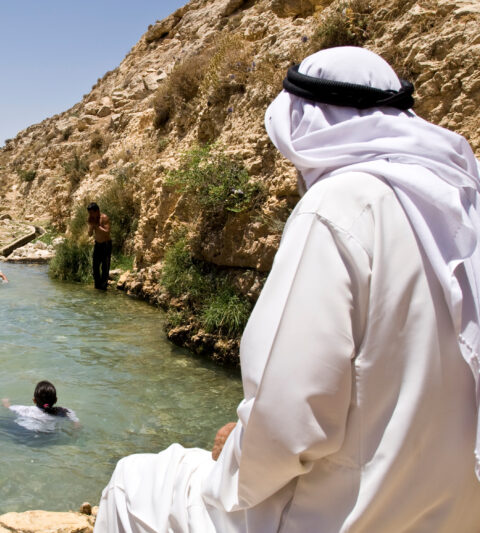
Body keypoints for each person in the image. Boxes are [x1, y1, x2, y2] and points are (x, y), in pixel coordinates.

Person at [95, 46, 480, 532]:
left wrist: (234, 454)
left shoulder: (338, 206)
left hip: (338, 515)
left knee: (131, 484)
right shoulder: (464, 203)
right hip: (450, 514)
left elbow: (289, 423)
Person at [2, 380, 79, 432]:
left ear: (34, 400)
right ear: (56, 400)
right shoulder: (63, 411)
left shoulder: (24, 410)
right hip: (51, 434)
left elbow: (7, 407)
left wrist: (5, 401)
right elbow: (76, 423)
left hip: (29, 433)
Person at [87, 202, 111, 290]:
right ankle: (97, 287)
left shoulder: (104, 218)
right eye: (89, 213)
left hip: (106, 244)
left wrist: (97, 226)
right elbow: (90, 234)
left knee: (105, 266)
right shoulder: (91, 218)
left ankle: (103, 287)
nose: (90, 215)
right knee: (95, 266)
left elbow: (107, 232)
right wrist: (91, 227)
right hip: (97, 244)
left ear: (97, 211)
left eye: (91, 213)